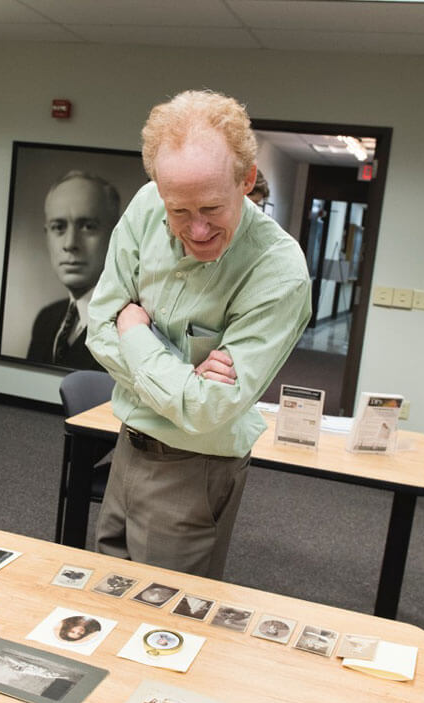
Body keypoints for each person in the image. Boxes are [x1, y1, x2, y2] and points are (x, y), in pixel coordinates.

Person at [86, 89, 311, 579]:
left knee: (163, 619)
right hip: (128, 442)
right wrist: (182, 378)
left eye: (211, 208)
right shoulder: (149, 204)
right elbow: (97, 328)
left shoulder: (279, 272)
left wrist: (136, 331)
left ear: (247, 181)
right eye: (180, 212)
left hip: (196, 467)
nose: (198, 230)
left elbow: (209, 409)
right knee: (105, 591)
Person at [27, 171, 121, 370]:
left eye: (88, 226)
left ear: (116, 234)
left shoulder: (127, 325)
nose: (70, 244)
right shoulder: (46, 318)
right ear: (47, 236)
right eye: (58, 227)